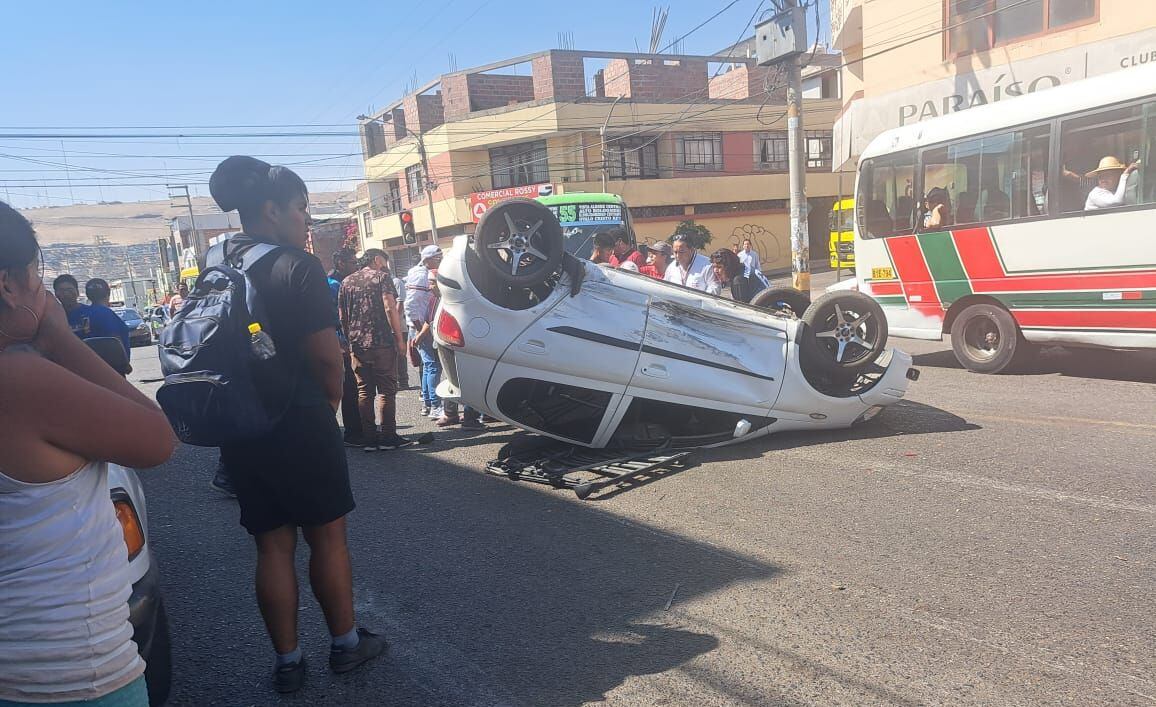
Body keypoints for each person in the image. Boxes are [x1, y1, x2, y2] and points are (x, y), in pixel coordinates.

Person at [207, 156, 385, 693]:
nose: (307, 219)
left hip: (240, 423)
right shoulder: (297, 266)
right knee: (327, 537)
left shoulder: (216, 261)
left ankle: (288, 662)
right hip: (300, 420)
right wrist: (327, 410)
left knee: (271, 546)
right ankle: (346, 645)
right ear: (271, 209)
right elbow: (328, 362)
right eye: (302, 208)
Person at [0, 200, 175, 706]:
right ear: (9, 285)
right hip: (67, 671)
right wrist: (56, 335)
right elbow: (158, 439)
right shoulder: (19, 380)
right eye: (37, 276)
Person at [338, 248, 412, 452]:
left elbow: (342, 315)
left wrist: (350, 338)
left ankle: (369, 438)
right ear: (377, 259)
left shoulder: (347, 282)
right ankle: (388, 436)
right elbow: (390, 308)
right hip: (382, 342)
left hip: (357, 343)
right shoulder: (382, 278)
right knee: (387, 391)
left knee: (364, 391)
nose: (385, 265)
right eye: (384, 261)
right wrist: (399, 339)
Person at [327, 249, 363, 446]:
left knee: (356, 387)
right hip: (340, 344)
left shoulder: (343, 282)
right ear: (340, 263)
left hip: (349, 340)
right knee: (348, 388)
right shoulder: (332, 284)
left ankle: (360, 427)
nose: (355, 266)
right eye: (351, 262)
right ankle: (353, 432)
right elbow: (335, 317)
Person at [405, 245, 443, 419]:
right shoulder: (421, 275)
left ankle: (428, 404)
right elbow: (410, 305)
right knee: (432, 366)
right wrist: (420, 329)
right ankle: (435, 405)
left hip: (424, 325)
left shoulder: (421, 272)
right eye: (437, 257)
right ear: (427, 260)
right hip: (422, 326)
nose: (440, 260)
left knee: (429, 366)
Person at [83, 277, 131, 357]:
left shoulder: (85, 314)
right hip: (112, 364)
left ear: (88, 296)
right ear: (108, 293)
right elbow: (114, 341)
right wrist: (123, 363)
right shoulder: (106, 314)